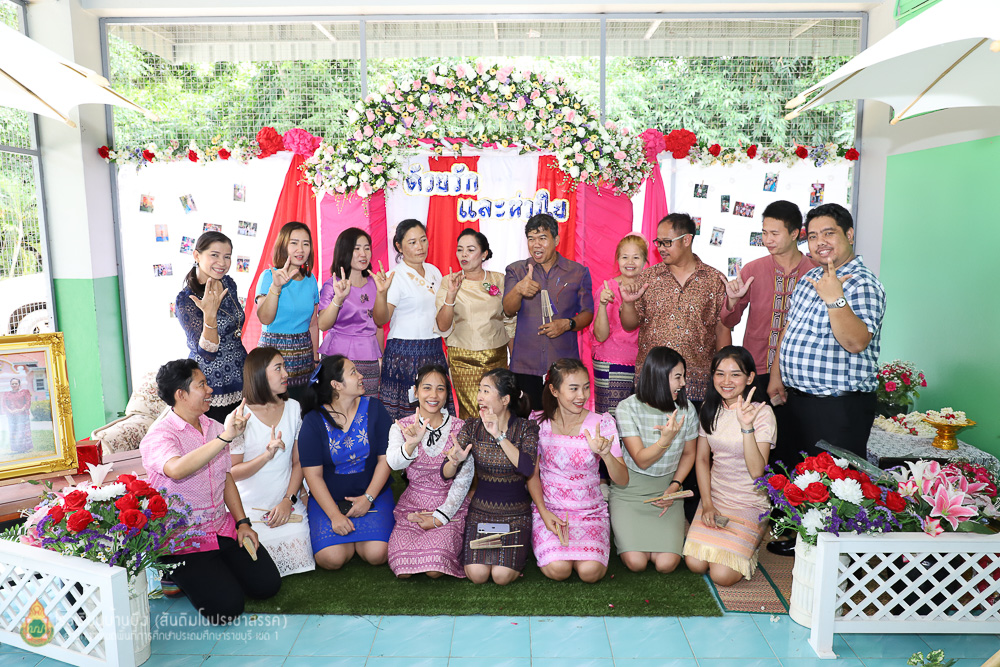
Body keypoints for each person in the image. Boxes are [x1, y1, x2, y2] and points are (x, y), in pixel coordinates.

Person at [140, 359, 280, 624]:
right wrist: (225, 437)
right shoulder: (160, 435)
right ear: (181, 395)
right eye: (201, 384)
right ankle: (172, 572)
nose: (210, 390)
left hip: (220, 527)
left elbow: (226, 478)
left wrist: (242, 523)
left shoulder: (213, 427)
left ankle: (213, 571)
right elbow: (176, 469)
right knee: (226, 610)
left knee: (267, 585)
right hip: (185, 538)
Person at [768, 203, 886, 459]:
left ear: (849, 235)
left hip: (837, 409)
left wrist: (835, 299)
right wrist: (776, 376)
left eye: (828, 233)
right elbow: (789, 328)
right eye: (812, 236)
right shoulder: (808, 279)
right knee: (792, 478)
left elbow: (856, 342)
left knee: (831, 482)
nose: (820, 242)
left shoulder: (862, 283)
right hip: (796, 402)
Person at [528, 359, 628, 583]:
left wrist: (606, 454)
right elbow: (532, 475)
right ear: (554, 390)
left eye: (586, 387)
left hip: (590, 512)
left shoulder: (602, 424)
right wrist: (543, 512)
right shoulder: (537, 423)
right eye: (573, 388)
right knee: (559, 570)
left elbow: (622, 479)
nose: (581, 395)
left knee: (590, 572)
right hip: (551, 510)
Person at [683, 346, 776, 586]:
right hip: (716, 497)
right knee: (695, 563)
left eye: (735, 374)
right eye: (720, 373)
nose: (726, 381)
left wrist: (747, 427)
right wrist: (707, 503)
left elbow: (757, 472)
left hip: (749, 501)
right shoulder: (709, 408)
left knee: (722, 576)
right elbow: (702, 460)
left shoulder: (762, 413)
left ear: (750, 378)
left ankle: (753, 543)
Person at [620, 213, 731, 408]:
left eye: (667, 242)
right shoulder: (648, 278)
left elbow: (722, 329)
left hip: (696, 385)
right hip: (652, 381)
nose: (661, 248)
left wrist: (723, 375)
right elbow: (629, 325)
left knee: (693, 429)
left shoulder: (714, 280)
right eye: (658, 242)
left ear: (686, 240)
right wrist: (628, 304)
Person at [298, 355, 394, 570]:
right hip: (330, 500)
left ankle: (359, 534)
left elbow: (385, 460)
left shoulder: (375, 409)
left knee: (377, 554)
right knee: (331, 559)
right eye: (353, 372)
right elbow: (312, 475)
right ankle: (347, 535)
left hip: (373, 495)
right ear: (336, 385)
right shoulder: (313, 421)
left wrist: (368, 498)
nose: (361, 376)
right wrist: (334, 515)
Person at [610, 347, 698, 573]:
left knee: (666, 564)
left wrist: (674, 487)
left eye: (683, 376)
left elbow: (689, 454)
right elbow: (641, 460)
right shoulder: (627, 407)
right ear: (659, 376)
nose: (683, 383)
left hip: (667, 491)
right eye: (678, 377)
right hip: (630, 491)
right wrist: (665, 440)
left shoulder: (687, 409)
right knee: (636, 563)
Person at [446, 368, 538, 585]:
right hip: (482, 511)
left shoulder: (526, 428)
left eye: (486, 391)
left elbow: (527, 468)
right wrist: (454, 461)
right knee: (477, 575)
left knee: (501, 576)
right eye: (479, 390)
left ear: (505, 400)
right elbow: (446, 473)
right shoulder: (472, 427)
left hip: (515, 514)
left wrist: (498, 435)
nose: (479, 396)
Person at [720, 201, 818, 402]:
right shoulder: (752, 270)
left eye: (774, 233)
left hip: (800, 371)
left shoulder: (815, 272)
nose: (767, 240)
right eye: (764, 233)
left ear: (795, 233)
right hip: (757, 367)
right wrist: (732, 301)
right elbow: (728, 321)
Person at [230, 347, 314, 577]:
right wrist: (266, 456)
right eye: (278, 368)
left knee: (302, 555)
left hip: (285, 500)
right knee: (255, 561)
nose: (286, 373)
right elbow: (233, 473)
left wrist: (288, 500)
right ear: (259, 374)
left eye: (284, 367)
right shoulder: (239, 417)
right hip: (250, 506)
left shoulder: (294, 407)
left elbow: (298, 463)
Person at [386, 364, 472, 579]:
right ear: (415, 392)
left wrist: (441, 517)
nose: (433, 395)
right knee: (402, 568)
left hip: (449, 505)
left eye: (440, 389)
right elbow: (394, 463)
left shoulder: (461, 428)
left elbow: (464, 479)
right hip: (412, 506)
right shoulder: (402, 426)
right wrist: (411, 443)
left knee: (434, 569)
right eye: (427, 388)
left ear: (447, 394)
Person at [502, 214, 594, 410]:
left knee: (563, 418)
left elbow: (588, 312)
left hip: (564, 364)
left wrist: (568, 324)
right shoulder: (516, 270)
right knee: (526, 421)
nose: (536, 244)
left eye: (542, 238)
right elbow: (508, 310)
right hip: (525, 363)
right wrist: (518, 289)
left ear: (556, 240)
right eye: (531, 238)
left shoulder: (577, 272)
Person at [372, 220, 446, 419]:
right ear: (399, 246)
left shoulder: (434, 271)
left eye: (423, 240)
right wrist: (381, 293)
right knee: (406, 417)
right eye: (412, 242)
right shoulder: (395, 276)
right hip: (404, 354)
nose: (420, 246)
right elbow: (380, 319)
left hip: (433, 349)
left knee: (434, 413)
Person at [436, 228, 510, 419]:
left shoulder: (499, 279)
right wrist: (451, 295)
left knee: (497, 411)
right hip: (463, 359)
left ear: (484, 254)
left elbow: (509, 321)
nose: (464, 254)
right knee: (471, 414)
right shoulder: (449, 281)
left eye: (470, 250)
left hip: (496, 357)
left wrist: (515, 357)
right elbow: (442, 326)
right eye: (460, 250)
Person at [175, 231, 246, 423]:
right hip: (212, 383)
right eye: (214, 255)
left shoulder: (229, 284)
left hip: (240, 373)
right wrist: (210, 314)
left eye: (227, 256)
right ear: (197, 256)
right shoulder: (187, 300)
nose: (222, 263)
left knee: (244, 434)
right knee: (220, 437)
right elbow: (207, 353)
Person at [255, 221, 320, 400]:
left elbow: (313, 324)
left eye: (306, 244)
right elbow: (265, 318)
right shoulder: (269, 276)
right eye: (294, 243)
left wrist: (315, 359)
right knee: (272, 407)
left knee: (300, 409)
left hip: (304, 358)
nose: (301, 249)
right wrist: (276, 287)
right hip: (273, 355)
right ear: (283, 245)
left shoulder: (311, 280)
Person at [318, 228, 383, 397]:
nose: (363, 254)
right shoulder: (333, 284)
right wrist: (338, 299)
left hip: (369, 359)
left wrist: (381, 358)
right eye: (357, 248)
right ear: (345, 251)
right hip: (338, 358)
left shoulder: (376, 283)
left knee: (367, 406)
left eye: (367, 248)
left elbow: (379, 325)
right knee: (336, 404)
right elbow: (323, 324)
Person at [591, 234, 648, 416]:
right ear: (617, 260)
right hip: (611, 362)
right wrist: (602, 304)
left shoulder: (650, 289)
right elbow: (600, 336)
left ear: (645, 260)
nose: (630, 262)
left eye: (636, 257)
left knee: (637, 421)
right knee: (610, 421)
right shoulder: (606, 289)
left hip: (643, 365)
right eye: (624, 257)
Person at [2, 378, 33, 454]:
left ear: (19, 384)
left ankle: (24, 449)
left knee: (22, 431)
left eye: (16, 383)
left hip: (22, 415)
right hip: (12, 416)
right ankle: (17, 449)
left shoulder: (25, 392)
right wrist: (10, 411)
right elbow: (4, 404)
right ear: (10, 385)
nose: (14, 385)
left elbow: (28, 402)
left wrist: (21, 409)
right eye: (12, 384)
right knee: (14, 432)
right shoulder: (7, 394)